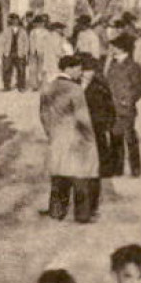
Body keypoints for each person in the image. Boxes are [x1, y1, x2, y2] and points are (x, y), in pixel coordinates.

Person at [39, 54, 100, 223]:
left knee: (58, 174)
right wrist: (90, 140)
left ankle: (57, 211)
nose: (80, 73)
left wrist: (50, 132)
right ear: (69, 69)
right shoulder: (75, 89)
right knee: (79, 175)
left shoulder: (48, 86)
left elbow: (43, 114)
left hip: (57, 137)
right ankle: (82, 214)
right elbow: (83, 118)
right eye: (79, 69)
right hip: (75, 138)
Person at [102, 33, 141, 179]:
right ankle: (117, 167)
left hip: (126, 108)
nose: (112, 48)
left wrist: (129, 100)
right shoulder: (112, 63)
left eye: (114, 46)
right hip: (112, 106)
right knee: (115, 137)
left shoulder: (133, 66)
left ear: (122, 49)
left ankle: (136, 168)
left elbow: (140, 88)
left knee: (130, 137)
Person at [80, 54, 118, 190]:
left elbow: (109, 105)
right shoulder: (76, 83)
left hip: (97, 123)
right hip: (82, 124)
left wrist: (109, 121)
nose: (87, 73)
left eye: (90, 70)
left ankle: (102, 172)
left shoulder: (100, 85)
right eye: (84, 70)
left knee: (100, 147)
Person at [0, 13, 28, 92]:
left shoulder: (23, 31)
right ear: (11, 21)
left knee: (21, 70)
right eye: (13, 20)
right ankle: (6, 86)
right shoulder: (6, 30)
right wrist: (3, 52)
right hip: (8, 53)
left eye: (17, 20)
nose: (15, 21)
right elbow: (2, 41)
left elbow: (26, 42)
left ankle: (21, 86)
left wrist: (24, 52)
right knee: (6, 69)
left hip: (20, 53)